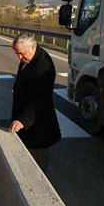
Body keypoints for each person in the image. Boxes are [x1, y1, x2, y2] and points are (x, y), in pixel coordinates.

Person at [9, 33, 61, 174]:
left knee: (36, 164)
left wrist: (23, 120)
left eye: (21, 54)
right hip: (27, 118)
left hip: (37, 123)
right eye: (17, 53)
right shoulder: (29, 57)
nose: (19, 58)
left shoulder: (43, 66)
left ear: (33, 47)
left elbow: (40, 99)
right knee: (26, 158)